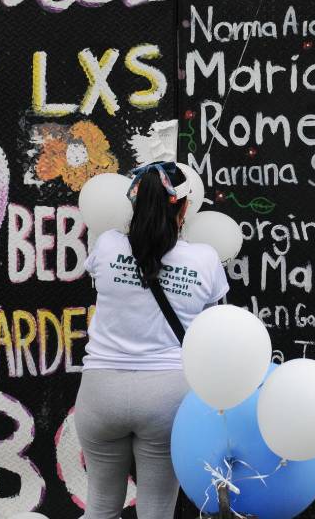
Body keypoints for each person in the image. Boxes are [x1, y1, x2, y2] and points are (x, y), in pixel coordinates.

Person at [75, 161, 230, 519]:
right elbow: (214, 326)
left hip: (101, 392)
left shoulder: (107, 245)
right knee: (157, 511)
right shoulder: (205, 259)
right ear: (185, 207)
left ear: (134, 202)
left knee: (99, 507)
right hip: (168, 396)